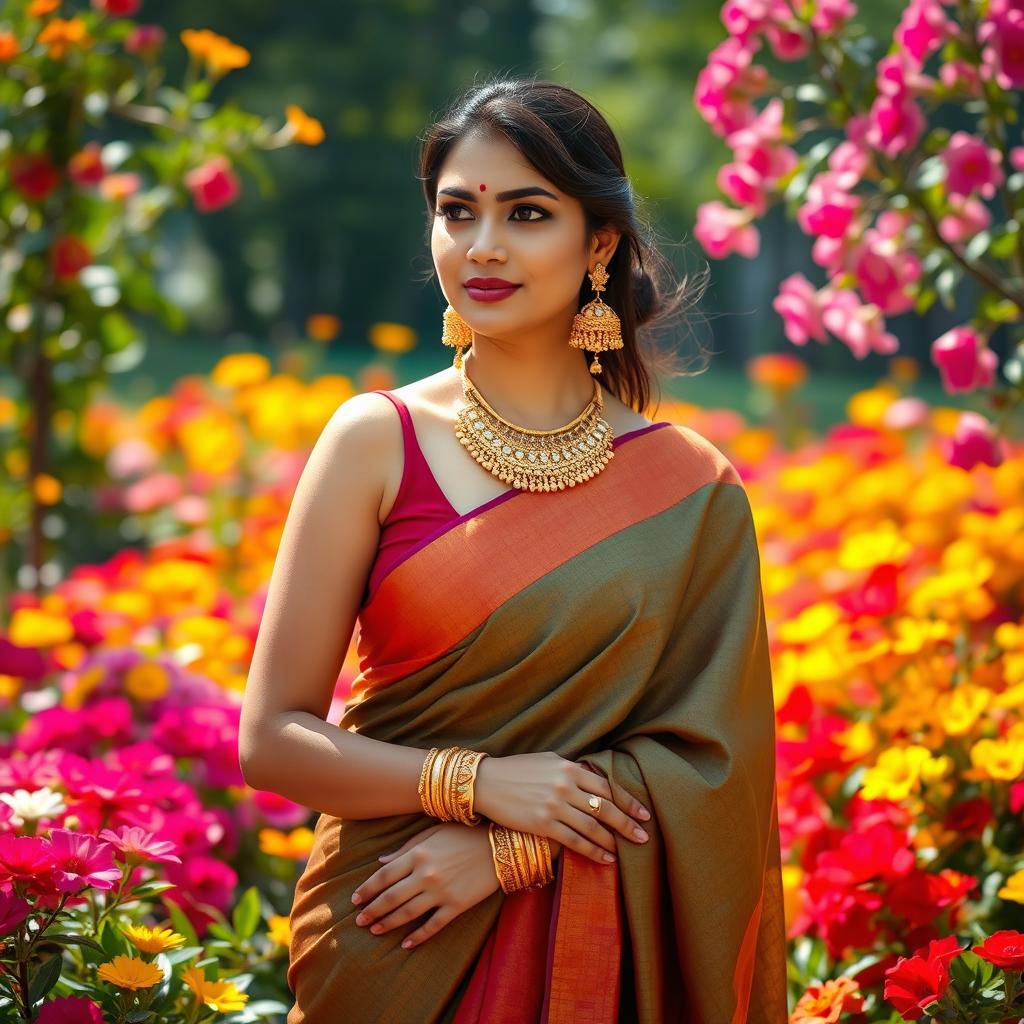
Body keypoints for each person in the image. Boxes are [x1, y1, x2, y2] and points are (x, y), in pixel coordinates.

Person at [239, 77, 789, 1023]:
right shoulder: (377, 440)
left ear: (599, 243)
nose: (482, 246)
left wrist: (512, 848)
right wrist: (478, 785)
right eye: (457, 212)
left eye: (527, 213)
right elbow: (272, 741)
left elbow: (715, 774)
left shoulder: (692, 490)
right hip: (390, 925)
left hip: (589, 952)